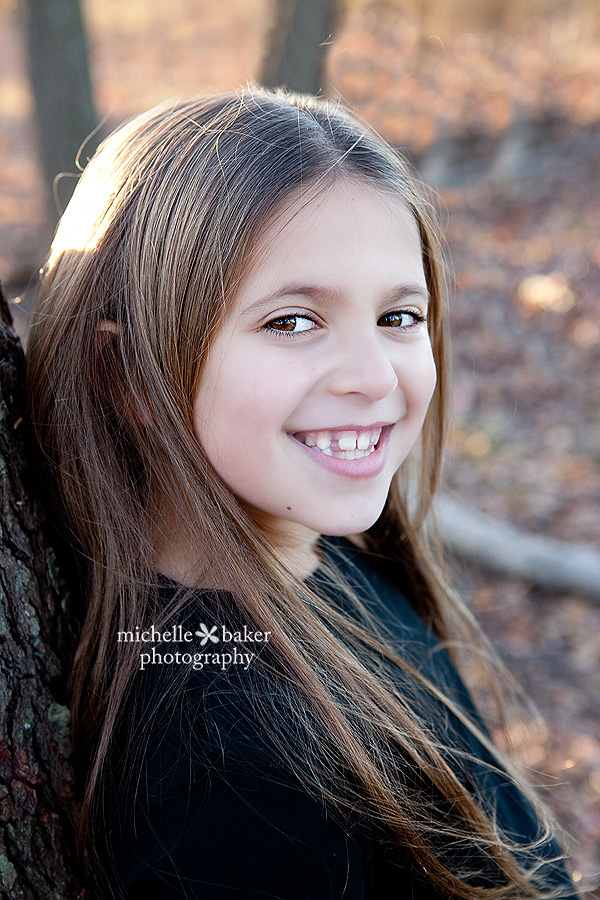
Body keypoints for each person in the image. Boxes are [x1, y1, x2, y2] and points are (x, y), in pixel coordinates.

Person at [26, 88, 577, 900]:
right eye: (292, 322)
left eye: (398, 315)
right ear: (126, 374)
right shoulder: (235, 780)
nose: (372, 377)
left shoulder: (329, 566)